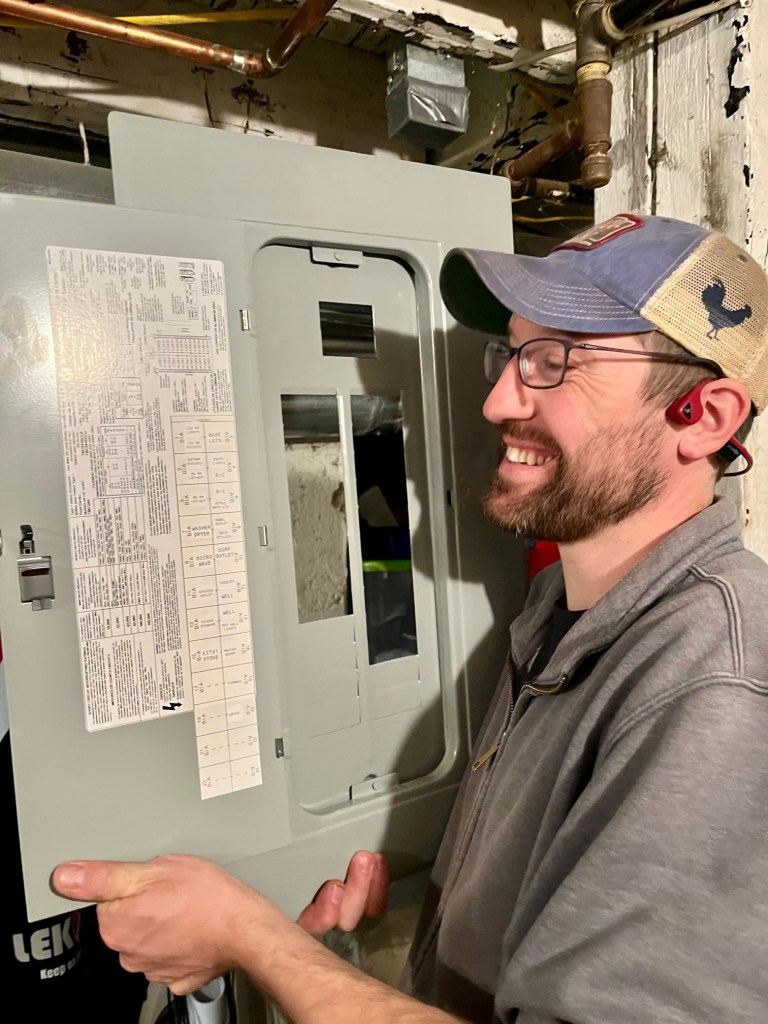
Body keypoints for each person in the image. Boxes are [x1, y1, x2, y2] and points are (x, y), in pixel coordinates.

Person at [52, 213, 768, 1023]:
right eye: (512, 353)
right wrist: (356, 956)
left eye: (554, 361)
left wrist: (253, 939)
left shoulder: (718, 683)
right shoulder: (561, 610)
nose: (497, 400)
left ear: (706, 416)